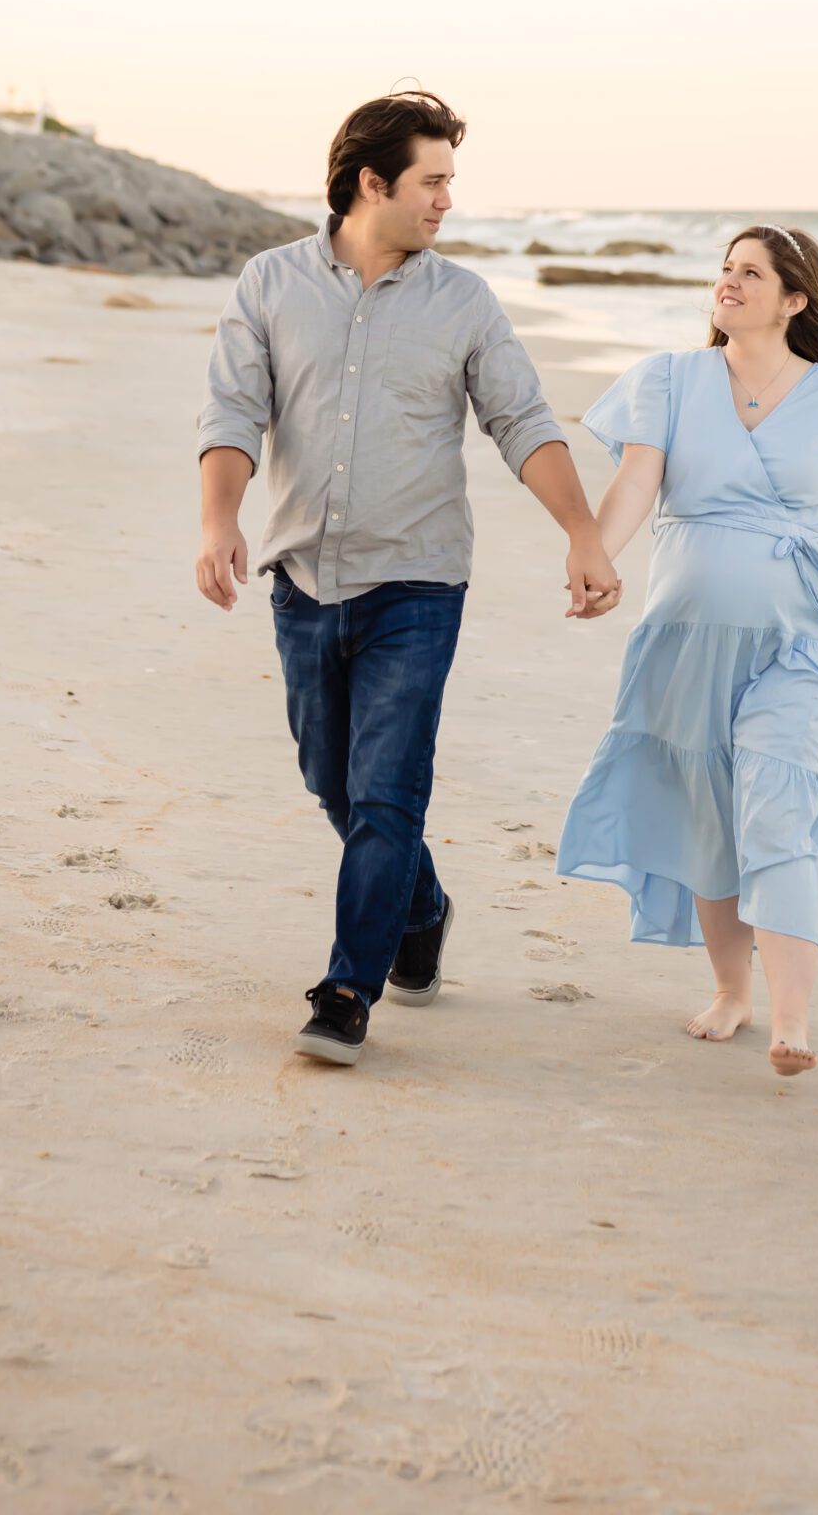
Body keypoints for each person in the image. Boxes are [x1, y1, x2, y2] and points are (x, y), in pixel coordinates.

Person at [195, 90, 620, 1066]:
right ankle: (420, 906)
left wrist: (583, 532)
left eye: (449, 183)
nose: (446, 202)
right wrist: (220, 518)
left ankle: (349, 987)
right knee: (332, 780)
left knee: (388, 793)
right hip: (303, 578)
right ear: (371, 181)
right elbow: (232, 411)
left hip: (418, 586)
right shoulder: (269, 283)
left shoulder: (462, 300)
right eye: (433, 181)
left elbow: (522, 419)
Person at [557, 223, 818, 1078]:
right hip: (684, 640)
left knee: (775, 801)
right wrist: (595, 560)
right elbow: (635, 483)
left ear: (794, 299)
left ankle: (790, 1023)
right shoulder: (669, 379)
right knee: (707, 815)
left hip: (798, 640)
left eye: (750, 273)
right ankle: (732, 990)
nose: (727, 283)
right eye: (724, 270)